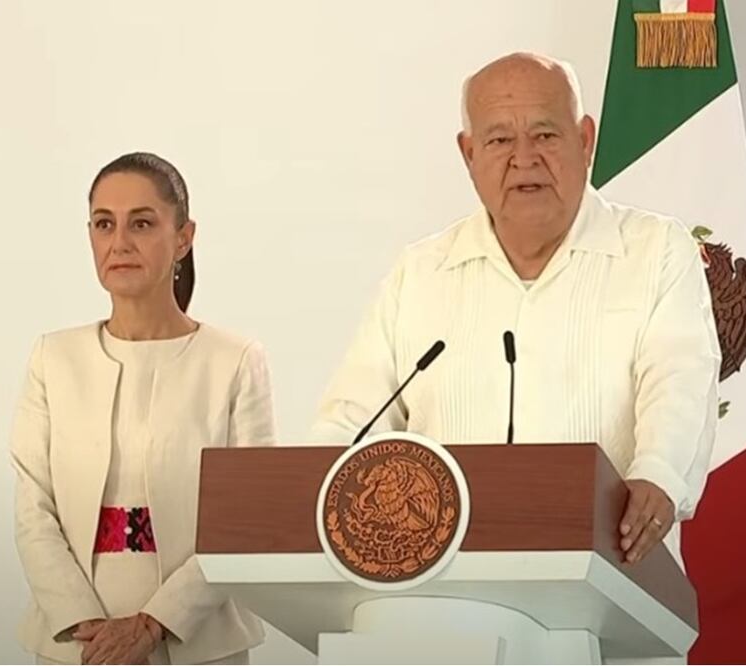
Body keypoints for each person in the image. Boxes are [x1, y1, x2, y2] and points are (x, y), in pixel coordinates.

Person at [309, 53, 721, 567]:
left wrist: (658, 473)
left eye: (545, 135)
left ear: (586, 140)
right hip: (438, 595)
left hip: (610, 584)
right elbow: (351, 420)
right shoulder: (420, 272)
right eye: (500, 139)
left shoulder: (656, 250)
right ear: (468, 153)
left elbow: (680, 379)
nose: (524, 158)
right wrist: (312, 488)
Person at [11, 152, 275, 664]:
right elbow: (33, 508)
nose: (120, 242)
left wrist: (154, 624)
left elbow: (246, 517)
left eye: (142, 223)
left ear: (183, 236)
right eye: (104, 224)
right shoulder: (53, 357)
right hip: (75, 645)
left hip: (201, 641)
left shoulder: (235, 361)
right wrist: (88, 627)